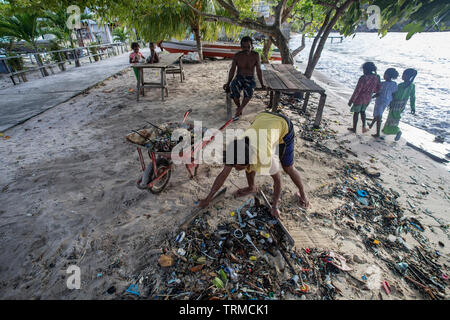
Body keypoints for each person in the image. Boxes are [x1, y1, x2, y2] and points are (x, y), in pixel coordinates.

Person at [198, 111, 309, 218]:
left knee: (288, 168)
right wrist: (209, 198)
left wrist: (275, 206)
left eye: (237, 166)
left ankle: (303, 193)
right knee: (249, 166)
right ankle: (252, 187)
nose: (235, 168)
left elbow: (278, 181)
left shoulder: (265, 156)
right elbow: (223, 174)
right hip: (263, 117)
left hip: (284, 126)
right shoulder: (235, 149)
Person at [223, 36, 265, 117]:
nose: (246, 49)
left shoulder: (256, 55)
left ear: (252, 46)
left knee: (249, 92)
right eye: (244, 47)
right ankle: (239, 107)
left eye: (248, 47)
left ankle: (240, 109)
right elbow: (232, 70)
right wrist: (228, 83)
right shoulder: (237, 56)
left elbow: (259, 70)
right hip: (239, 76)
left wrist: (262, 84)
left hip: (250, 77)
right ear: (241, 47)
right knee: (233, 89)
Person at [382, 68, 417, 141]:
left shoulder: (401, 85)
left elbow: (394, 94)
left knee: (390, 118)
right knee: (395, 119)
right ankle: (385, 133)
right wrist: (412, 107)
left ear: (408, 76)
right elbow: (413, 97)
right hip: (402, 105)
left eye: (404, 75)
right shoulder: (412, 86)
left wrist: (389, 102)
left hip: (395, 104)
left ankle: (397, 131)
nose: (402, 76)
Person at [348, 62, 381, 133]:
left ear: (365, 69)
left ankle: (354, 128)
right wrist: (372, 93)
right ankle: (364, 127)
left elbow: (357, 90)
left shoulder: (363, 78)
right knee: (363, 112)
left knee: (356, 113)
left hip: (359, 97)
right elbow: (377, 89)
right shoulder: (376, 77)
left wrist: (351, 100)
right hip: (368, 98)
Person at [368, 68, 399, 138]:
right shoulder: (394, 84)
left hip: (380, 101)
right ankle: (371, 124)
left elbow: (378, 93)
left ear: (387, 75)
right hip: (387, 101)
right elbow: (394, 93)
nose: (384, 75)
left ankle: (377, 133)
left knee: (378, 115)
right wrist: (392, 102)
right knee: (379, 114)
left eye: (385, 74)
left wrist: (372, 97)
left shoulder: (382, 84)